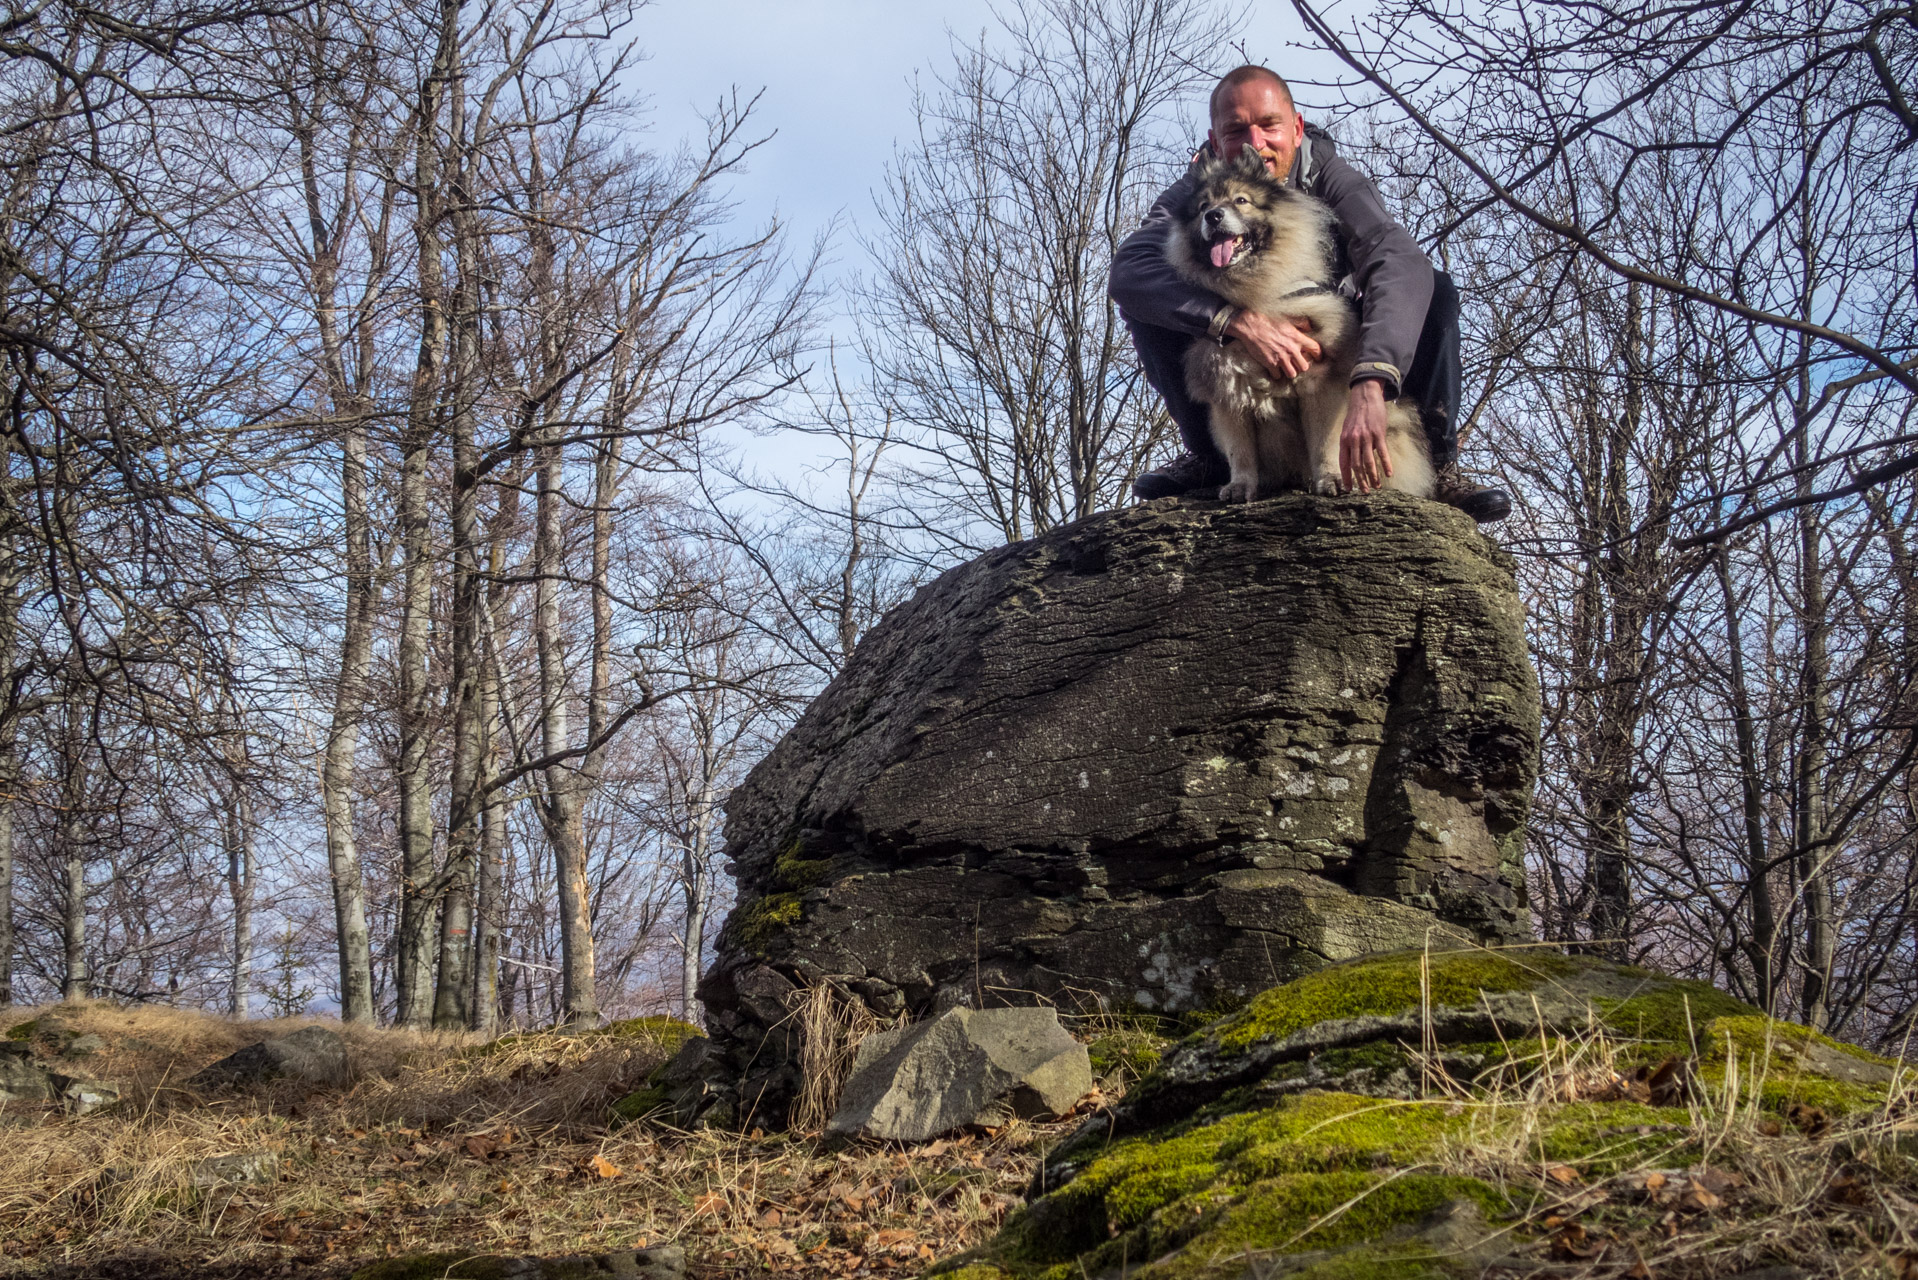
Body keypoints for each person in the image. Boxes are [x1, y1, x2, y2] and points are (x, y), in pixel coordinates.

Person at [1111, 65, 1511, 522]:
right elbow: (1130, 270)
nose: (1255, 143)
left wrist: (1372, 379)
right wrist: (1234, 321)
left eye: (1268, 125)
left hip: (1334, 365)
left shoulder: (1333, 179)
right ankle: (1209, 458)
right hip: (1239, 363)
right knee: (1149, 306)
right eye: (1236, 130)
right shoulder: (1194, 192)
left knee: (1435, 292)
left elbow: (1397, 260)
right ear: (1215, 140)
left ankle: (1438, 465)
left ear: (1296, 128)